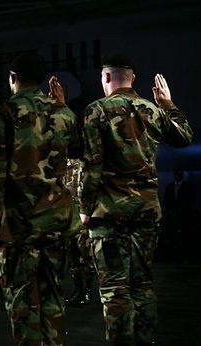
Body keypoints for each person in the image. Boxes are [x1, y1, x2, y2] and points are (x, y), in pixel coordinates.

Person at [78, 54, 193, 346]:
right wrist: (167, 103)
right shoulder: (152, 110)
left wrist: (84, 208)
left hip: (109, 212)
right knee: (142, 284)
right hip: (145, 211)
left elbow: (92, 164)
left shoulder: (96, 111)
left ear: (105, 77)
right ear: (133, 78)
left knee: (115, 287)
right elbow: (184, 137)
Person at [0, 53, 80, 345]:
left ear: (12, 78)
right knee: (53, 297)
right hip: (56, 224)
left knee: (23, 302)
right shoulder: (65, 115)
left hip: (18, 227)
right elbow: (73, 154)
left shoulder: (4, 114)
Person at [64, 158, 96, 307]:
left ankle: (88, 291)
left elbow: (89, 187)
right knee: (73, 256)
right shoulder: (63, 163)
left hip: (82, 214)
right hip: (67, 214)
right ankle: (78, 290)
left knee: (86, 255)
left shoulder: (82, 162)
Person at [161, 169, 196, 260]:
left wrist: (183, 210)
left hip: (184, 215)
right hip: (172, 214)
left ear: (182, 176)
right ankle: (173, 255)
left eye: (180, 174)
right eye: (176, 174)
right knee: (172, 234)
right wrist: (169, 211)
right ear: (174, 175)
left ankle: (183, 255)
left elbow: (191, 200)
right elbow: (166, 200)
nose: (178, 176)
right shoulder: (169, 187)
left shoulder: (188, 187)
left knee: (183, 235)